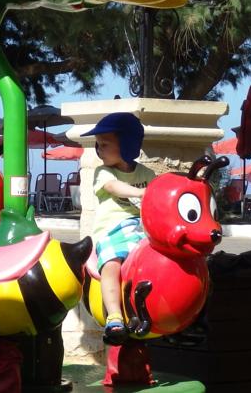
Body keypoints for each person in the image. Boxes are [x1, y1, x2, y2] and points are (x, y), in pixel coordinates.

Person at [81, 112, 154, 346]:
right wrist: (141, 192)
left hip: (141, 232)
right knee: (111, 264)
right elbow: (113, 187)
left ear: (127, 144)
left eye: (104, 144)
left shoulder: (147, 174)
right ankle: (114, 315)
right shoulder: (104, 172)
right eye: (98, 144)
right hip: (113, 232)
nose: (99, 149)